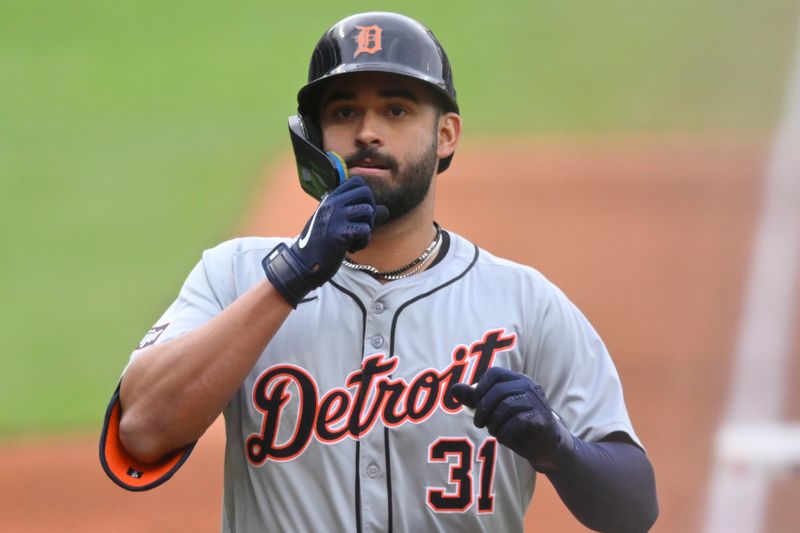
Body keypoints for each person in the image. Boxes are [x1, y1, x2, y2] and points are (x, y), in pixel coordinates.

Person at [100, 11, 658, 533]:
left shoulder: (523, 302)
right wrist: (290, 277)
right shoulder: (236, 276)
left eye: (397, 110)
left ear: (446, 136)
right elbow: (143, 432)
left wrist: (558, 448)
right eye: (344, 112)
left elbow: (635, 507)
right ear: (313, 139)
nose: (368, 132)